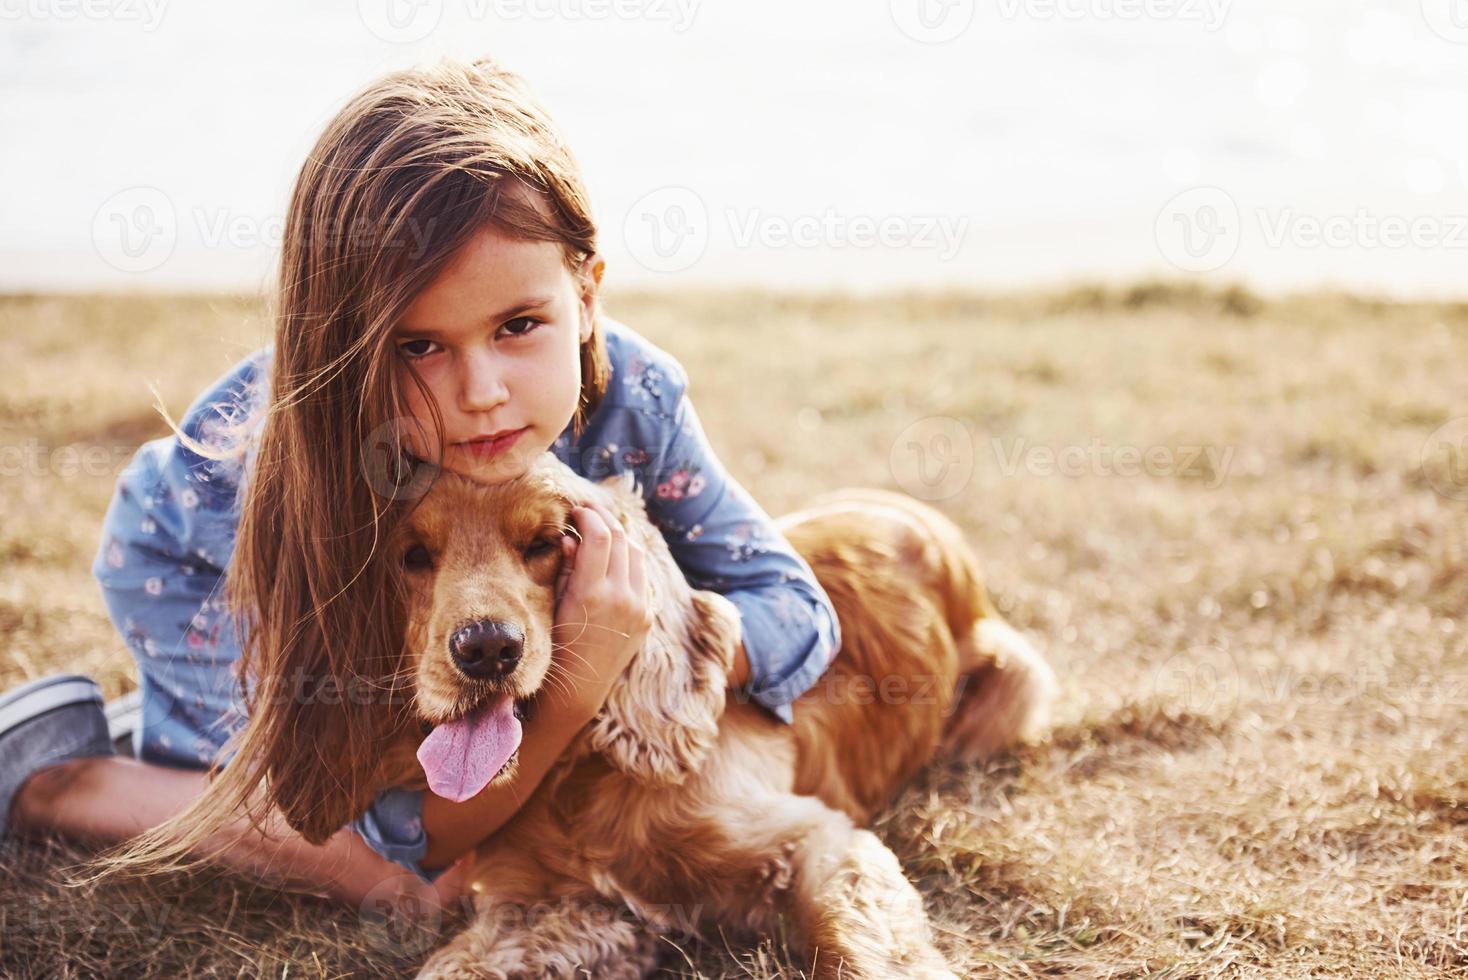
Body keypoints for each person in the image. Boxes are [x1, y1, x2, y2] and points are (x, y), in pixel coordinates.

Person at [0, 55, 840, 914]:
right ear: (345, 345)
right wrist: (582, 677)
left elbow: (798, 611)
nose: (481, 394)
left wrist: (646, 639)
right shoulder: (293, 478)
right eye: (418, 346)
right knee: (416, 880)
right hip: (194, 576)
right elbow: (421, 828)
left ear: (586, 296)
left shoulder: (637, 395)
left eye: (519, 325)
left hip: (437, 627)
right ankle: (69, 777)